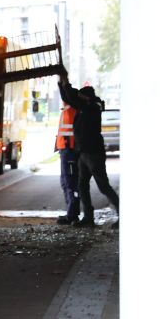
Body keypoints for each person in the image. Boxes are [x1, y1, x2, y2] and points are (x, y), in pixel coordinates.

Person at [57, 70, 120, 227]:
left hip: (93, 154)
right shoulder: (85, 106)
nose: (78, 97)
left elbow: (71, 97)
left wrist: (66, 83)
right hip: (84, 153)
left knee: (103, 186)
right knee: (82, 185)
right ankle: (88, 218)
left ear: (86, 97)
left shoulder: (92, 107)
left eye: (81, 96)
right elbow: (69, 97)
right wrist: (62, 82)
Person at [55, 102, 80, 225]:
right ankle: (71, 213)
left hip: (69, 151)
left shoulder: (71, 109)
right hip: (65, 151)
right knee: (66, 183)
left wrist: (62, 84)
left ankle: (72, 215)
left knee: (70, 184)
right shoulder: (68, 109)